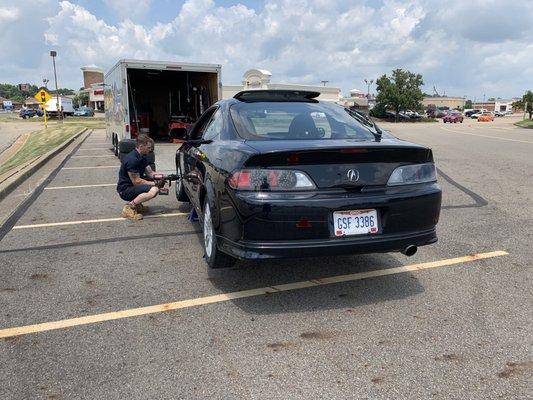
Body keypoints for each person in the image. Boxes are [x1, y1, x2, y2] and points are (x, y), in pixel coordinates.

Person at [116, 135, 163, 220]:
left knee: (155, 187)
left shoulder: (142, 157)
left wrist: (164, 177)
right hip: (125, 190)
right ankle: (129, 207)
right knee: (154, 190)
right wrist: (155, 183)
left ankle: (137, 205)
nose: (150, 150)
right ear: (141, 146)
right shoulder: (132, 160)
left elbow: (150, 173)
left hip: (132, 187)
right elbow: (136, 181)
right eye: (148, 148)